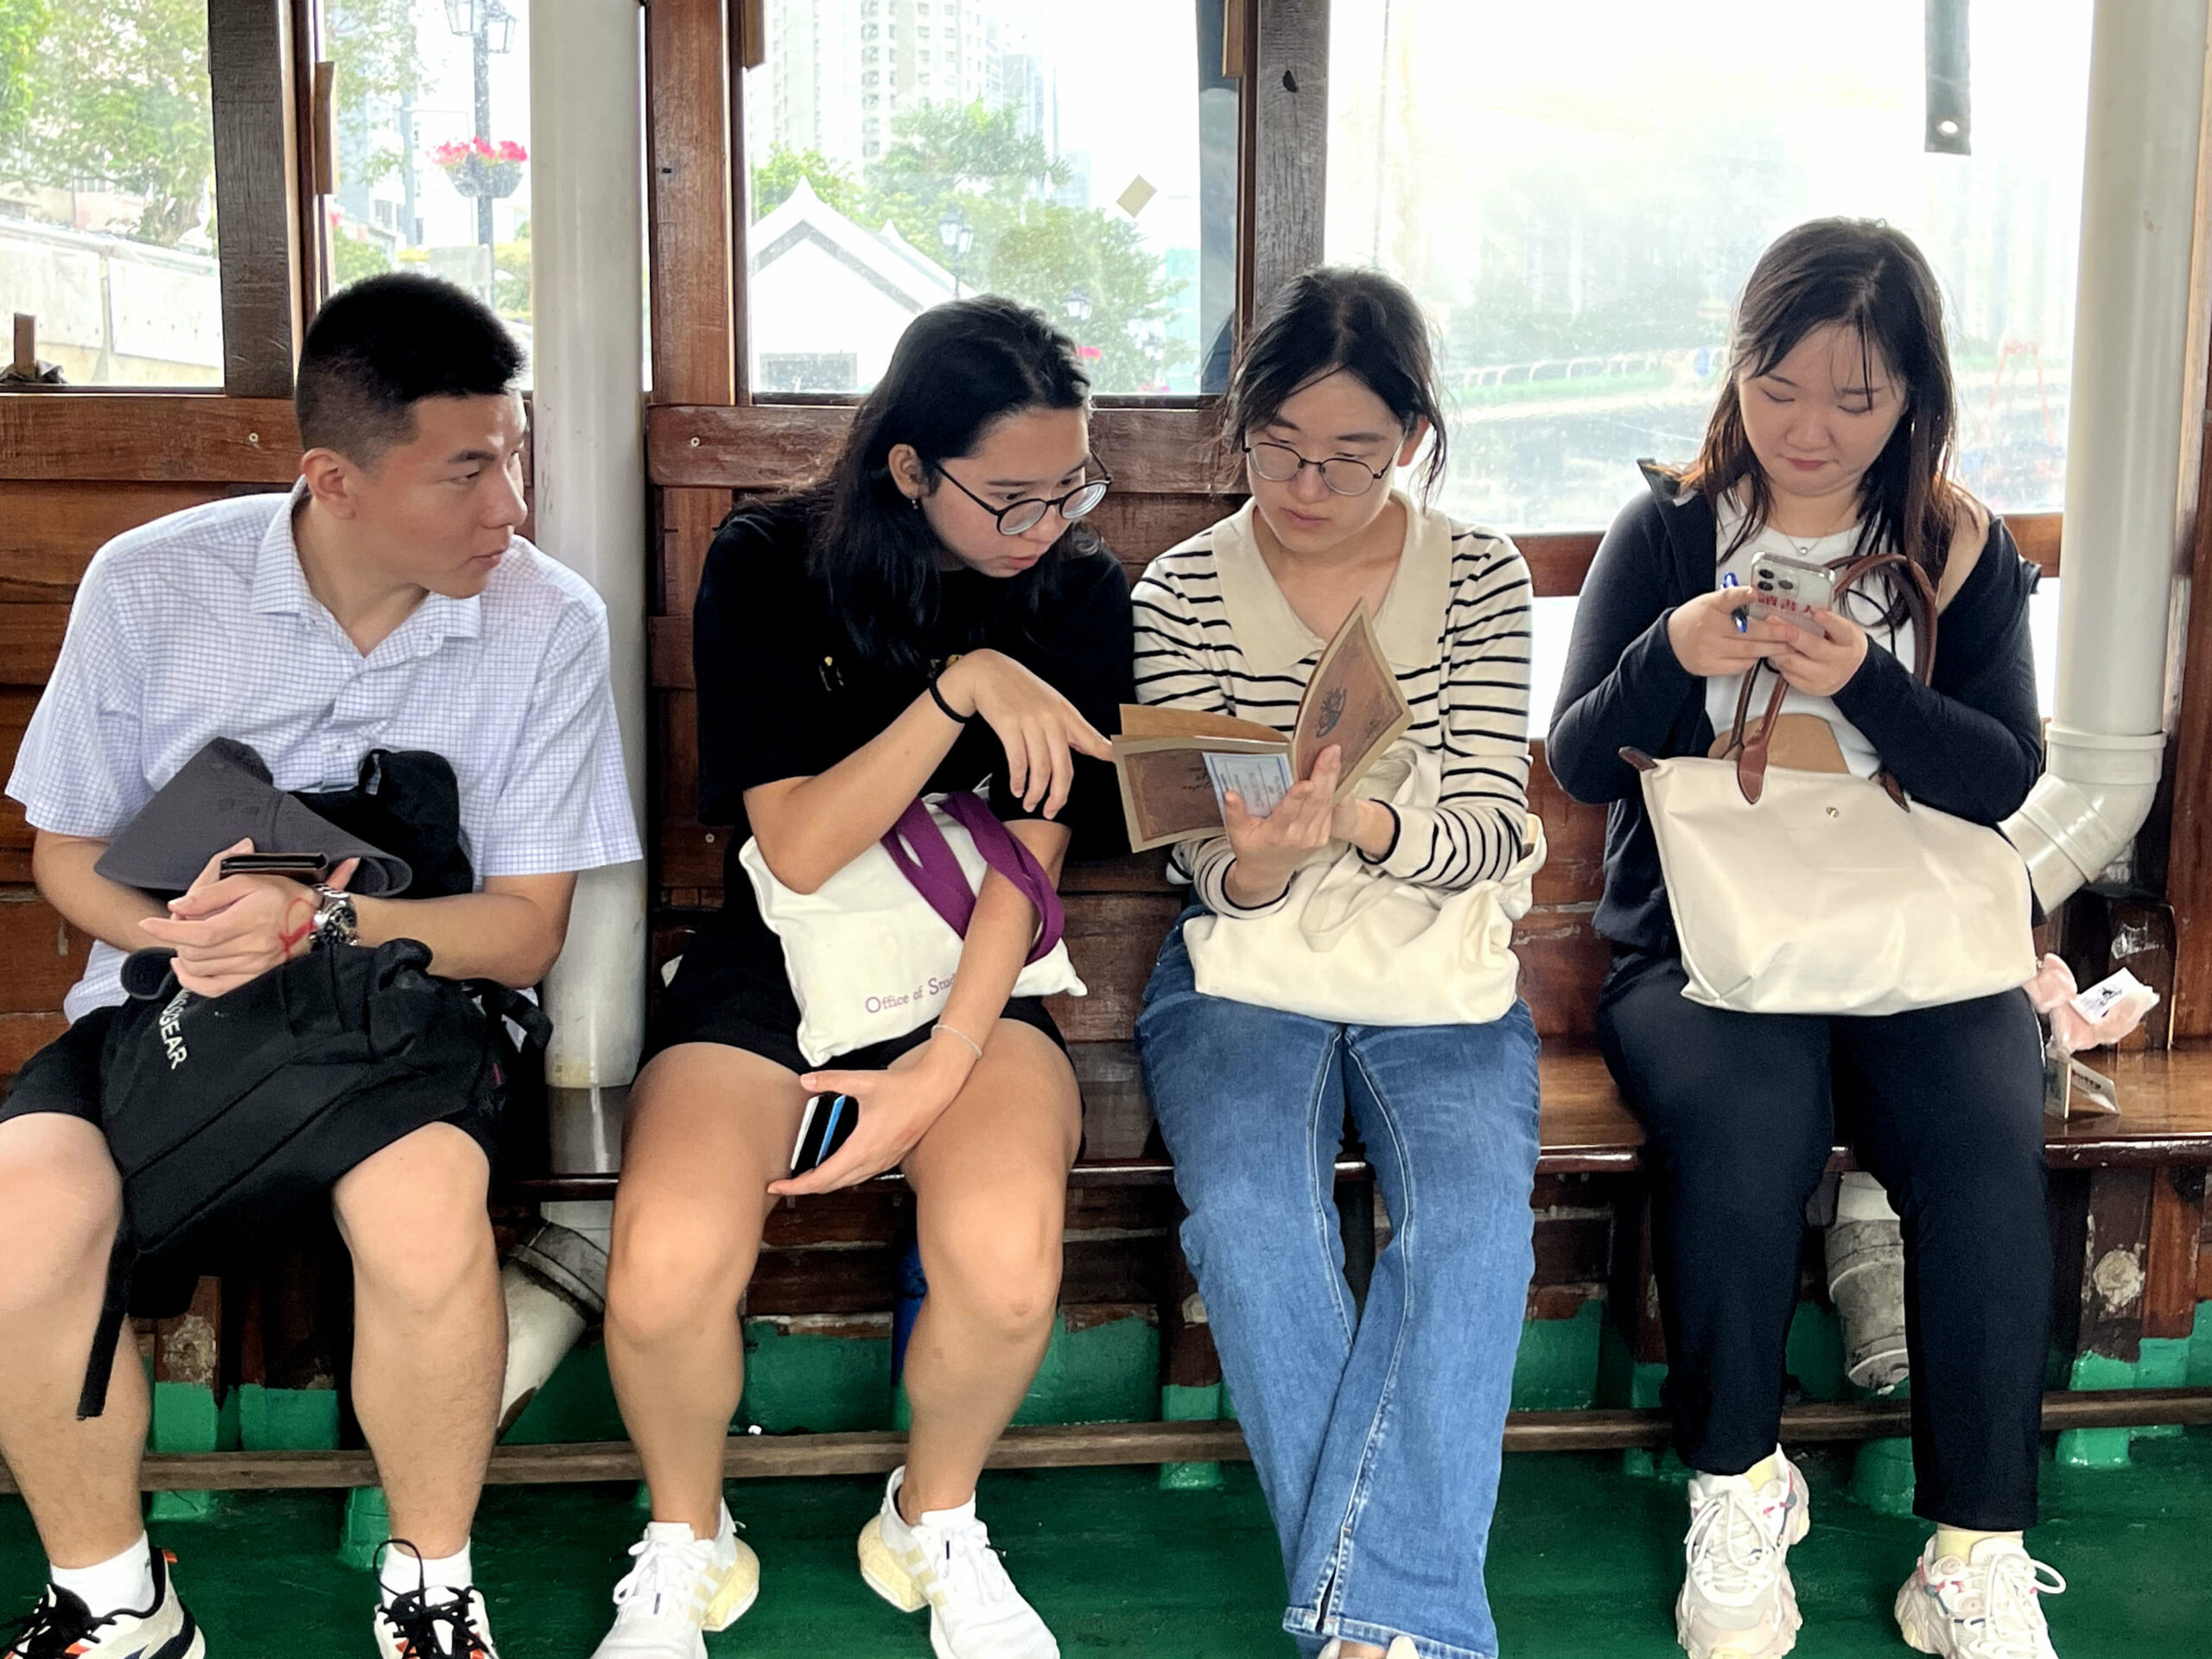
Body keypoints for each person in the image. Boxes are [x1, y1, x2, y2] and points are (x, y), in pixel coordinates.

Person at [0, 271, 639, 1659]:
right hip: (168, 1010)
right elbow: (65, 854)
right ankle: (112, 1599)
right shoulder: (152, 583)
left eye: (513, 456)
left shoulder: (548, 620)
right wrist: (179, 932)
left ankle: (430, 1581)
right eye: (468, 471)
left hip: (408, 1024)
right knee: (23, 1223)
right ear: (333, 478)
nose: (510, 509)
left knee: (423, 1216)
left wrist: (324, 925)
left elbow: (526, 929)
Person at [1547, 219, 2061, 1659]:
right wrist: (1673, 655)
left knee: (1981, 1124)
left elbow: (2004, 778)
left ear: (1914, 398)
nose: (1812, 430)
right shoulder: (1666, 531)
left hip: (1910, 942)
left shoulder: (1961, 548)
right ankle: (1737, 1487)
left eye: (1857, 397)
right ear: (1738, 371)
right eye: (1781, 390)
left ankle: (1975, 1550)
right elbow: (1583, 763)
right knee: (1748, 1128)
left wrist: (1867, 691)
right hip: (1705, 949)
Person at [591, 296, 1133, 1659]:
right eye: (1010, 496)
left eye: (1070, 486)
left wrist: (938, 1071)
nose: (1045, 524)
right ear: (908, 466)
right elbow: (801, 839)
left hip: (969, 965)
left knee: (1008, 1273)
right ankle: (687, 1537)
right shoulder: (771, 559)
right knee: (660, 1270)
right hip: (773, 955)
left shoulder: (1080, 588)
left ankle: (928, 1519)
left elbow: (1030, 858)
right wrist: (958, 690)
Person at [1132, 267, 1540, 1659]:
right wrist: (1261, 855)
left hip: (1441, 971)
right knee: (1249, 1219)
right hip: (1247, 964)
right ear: (1240, 427)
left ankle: (1363, 1620)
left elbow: (1490, 831)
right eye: (1280, 449)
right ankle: (1401, 1622)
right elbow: (1198, 860)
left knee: (1473, 1228)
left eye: (1354, 457)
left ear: (1413, 439)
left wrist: (1359, 821)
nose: (1310, 485)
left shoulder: (1477, 574)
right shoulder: (1184, 586)